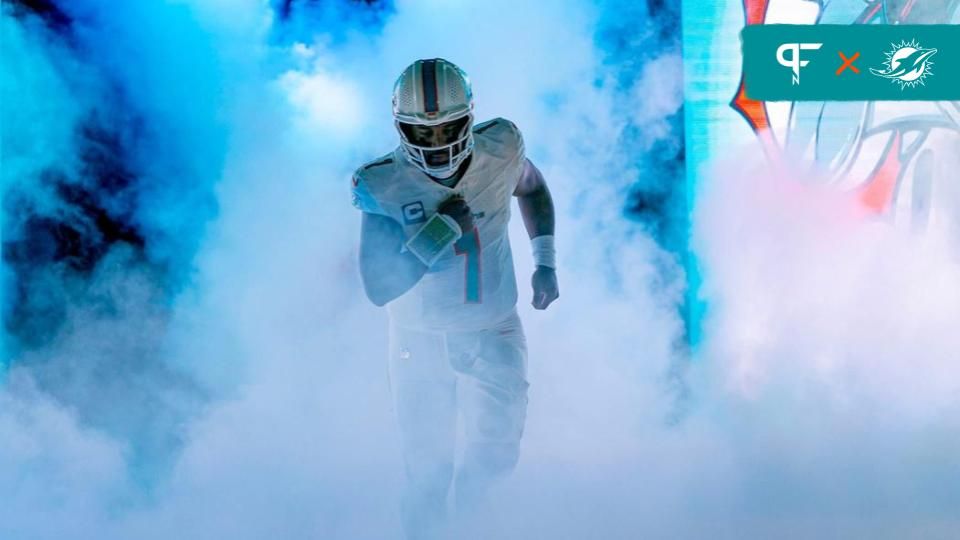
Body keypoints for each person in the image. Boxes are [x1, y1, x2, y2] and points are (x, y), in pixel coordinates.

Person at [351, 58, 559, 538]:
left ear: (469, 117)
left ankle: (470, 529)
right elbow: (378, 287)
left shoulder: (501, 147)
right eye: (421, 134)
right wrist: (440, 231)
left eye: (447, 127)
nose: (437, 142)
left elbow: (532, 187)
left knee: (496, 457)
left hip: (494, 325)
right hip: (419, 337)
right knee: (427, 471)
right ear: (400, 129)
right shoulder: (382, 182)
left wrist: (544, 259)